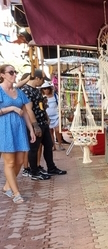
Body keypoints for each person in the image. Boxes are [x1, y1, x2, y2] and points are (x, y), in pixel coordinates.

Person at [0, 64, 38, 203]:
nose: (14, 74)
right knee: (9, 162)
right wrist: (10, 108)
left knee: (20, 161)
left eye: (15, 72)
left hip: (19, 128)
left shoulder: (19, 92)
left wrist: (31, 129)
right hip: (5, 128)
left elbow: (26, 112)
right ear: (2, 75)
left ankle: (7, 186)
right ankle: (16, 193)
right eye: (11, 72)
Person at [21, 69, 67, 180]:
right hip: (35, 124)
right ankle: (34, 172)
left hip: (43, 122)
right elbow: (29, 110)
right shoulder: (26, 90)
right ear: (37, 78)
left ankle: (51, 167)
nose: (42, 83)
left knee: (49, 144)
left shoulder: (36, 90)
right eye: (42, 80)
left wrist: (46, 116)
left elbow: (40, 106)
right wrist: (35, 126)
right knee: (34, 148)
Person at [40, 81, 63, 151]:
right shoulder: (42, 97)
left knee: (57, 130)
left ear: (50, 89)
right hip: (48, 117)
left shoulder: (55, 96)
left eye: (47, 88)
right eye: (44, 88)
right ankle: (53, 145)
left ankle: (60, 144)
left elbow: (60, 104)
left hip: (56, 115)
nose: (46, 90)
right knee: (50, 132)